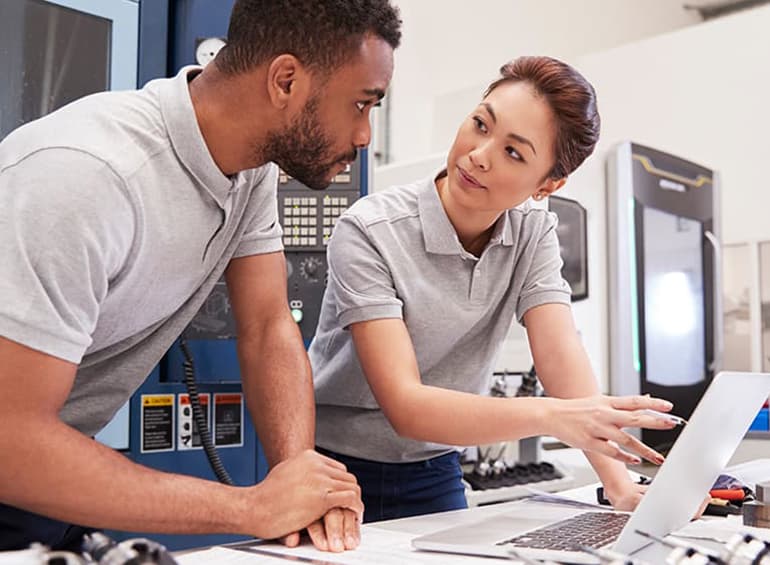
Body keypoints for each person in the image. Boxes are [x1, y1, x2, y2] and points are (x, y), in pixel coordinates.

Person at [0, 0, 401, 553]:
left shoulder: (249, 168)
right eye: (361, 104)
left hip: (44, 479)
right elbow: (9, 439)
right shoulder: (88, 177)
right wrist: (251, 506)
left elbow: (266, 325)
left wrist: (299, 477)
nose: (364, 136)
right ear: (285, 80)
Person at [309, 55, 678, 523]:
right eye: (481, 124)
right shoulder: (370, 229)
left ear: (548, 185)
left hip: (434, 467)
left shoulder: (533, 230)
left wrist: (619, 485)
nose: (479, 154)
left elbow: (560, 353)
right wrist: (551, 415)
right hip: (336, 468)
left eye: (513, 152)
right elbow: (405, 405)